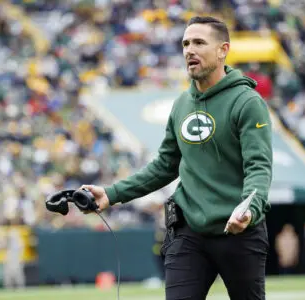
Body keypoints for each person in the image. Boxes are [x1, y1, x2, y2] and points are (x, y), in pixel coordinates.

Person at [81, 16, 273, 300]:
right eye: (185, 43)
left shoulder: (247, 102)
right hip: (189, 232)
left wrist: (250, 209)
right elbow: (164, 166)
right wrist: (111, 193)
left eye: (198, 42)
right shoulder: (181, 104)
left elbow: (258, 167)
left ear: (223, 50)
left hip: (238, 230)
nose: (189, 50)